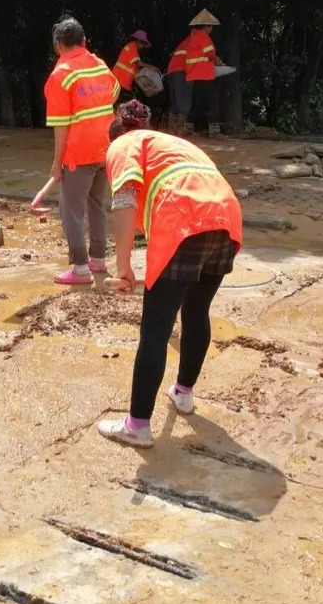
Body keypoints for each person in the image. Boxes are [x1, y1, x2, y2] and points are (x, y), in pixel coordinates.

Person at [97, 99, 244, 448]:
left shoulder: (121, 144)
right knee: (196, 310)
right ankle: (183, 393)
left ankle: (137, 425)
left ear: (115, 135)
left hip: (182, 217)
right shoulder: (172, 144)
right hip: (226, 217)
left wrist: (122, 266)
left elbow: (124, 199)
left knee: (156, 330)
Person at [43, 15, 120, 285]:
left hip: (79, 154)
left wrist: (57, 163)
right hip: (105, 149)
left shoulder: (60, 76)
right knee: (98, 205)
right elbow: (114, 90)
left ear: (58, 46)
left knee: (70, 212)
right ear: (84, 41)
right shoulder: (99, 65)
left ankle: (79, 269)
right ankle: (97, 260)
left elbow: (61, 127)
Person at [184, 9, 224, 137]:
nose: (211, 29)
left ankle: (187, 129)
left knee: (197, 104)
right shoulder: (204, 37)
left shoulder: (193, 37)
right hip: (205, 76)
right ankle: (215, 132)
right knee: (212, 102)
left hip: (196, 76)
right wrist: (218, 61)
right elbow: (210, 54)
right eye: (211, 26)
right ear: (206, 26)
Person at [112, 30, 155, 101]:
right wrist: (151, 67)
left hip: (123, 82)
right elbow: (138, 63)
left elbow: (135, 71)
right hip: (121, 81)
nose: (143, 46)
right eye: (143, 43)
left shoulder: (134, 51)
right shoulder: (132, 47)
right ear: (138, 41)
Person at [165, 32, 192, 133]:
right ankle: (181, 128)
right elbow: (209, 54)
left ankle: (172, 128)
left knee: (175, 99)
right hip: (182, 70)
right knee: (184, 99)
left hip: (172, 70)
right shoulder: (199, 39)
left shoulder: (185, 42)